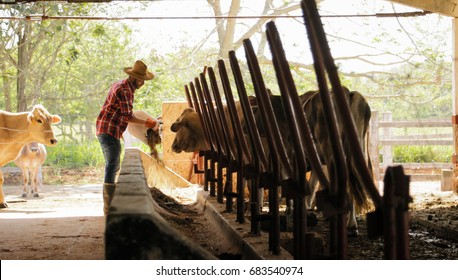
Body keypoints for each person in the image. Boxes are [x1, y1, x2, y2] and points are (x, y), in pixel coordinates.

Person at [96, 60, 159, 214]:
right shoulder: (126, 91)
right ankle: (108, 207)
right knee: (112, 166)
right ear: (135, 79)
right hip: (109, 130)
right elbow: (128, 117)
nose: (143, 83)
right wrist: (148, 123)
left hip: (107, 129)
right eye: (142, 80)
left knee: (112, 165)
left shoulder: (121, 85)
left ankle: (109, 204)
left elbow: (118, 114)